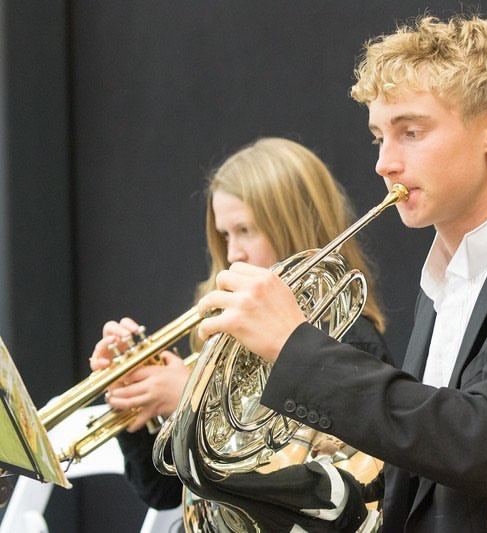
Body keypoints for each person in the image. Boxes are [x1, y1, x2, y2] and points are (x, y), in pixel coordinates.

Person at [197, 14, 487, 532]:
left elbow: (485, 446)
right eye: (379, 136)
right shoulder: (447, 271)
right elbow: (420, 461)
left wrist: (294, 345)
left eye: (411, 132)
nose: (384, 163)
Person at [89, 137, 392, 531]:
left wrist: (190, 401)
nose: (234, 254)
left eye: (246, 230)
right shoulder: (226, 336)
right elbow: (165, 493)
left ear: (294, 226)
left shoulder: (352, 341)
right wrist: (136, 406)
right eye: (225, 235)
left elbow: (332, 491)